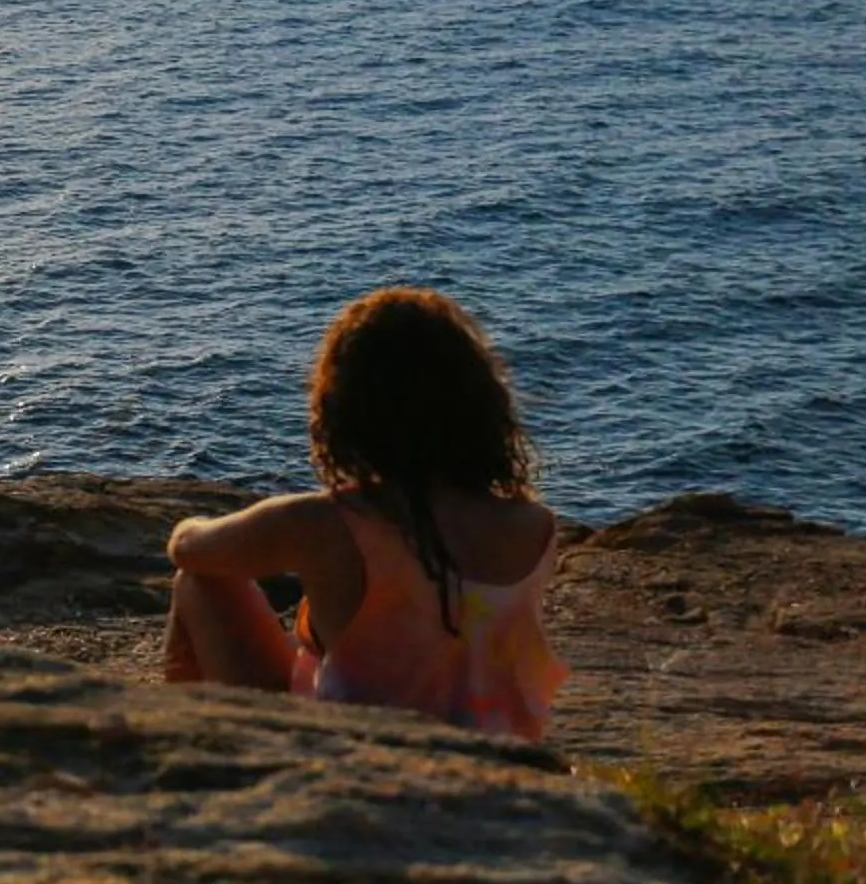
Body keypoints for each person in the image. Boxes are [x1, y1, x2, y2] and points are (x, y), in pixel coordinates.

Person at [161, 285, 569, 739]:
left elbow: (188, 549)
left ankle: (184, 751)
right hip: (503, 758)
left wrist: (193, 522)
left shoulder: (327, 522)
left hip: (357, 753)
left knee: (198, 582)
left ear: (344, 408)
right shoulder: (536, 526)